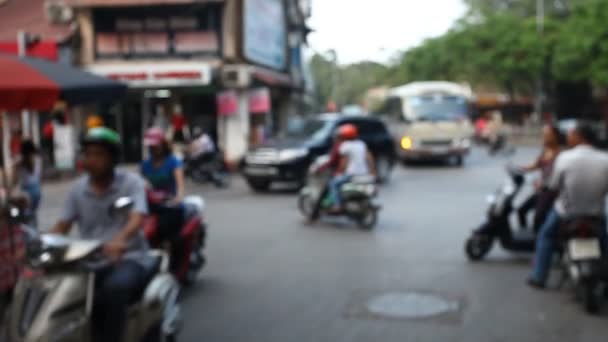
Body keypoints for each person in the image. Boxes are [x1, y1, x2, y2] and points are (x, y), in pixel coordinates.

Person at [50, 127, 150, 342]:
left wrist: (120, 239)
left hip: (128, 258)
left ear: (113, 158)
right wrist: (37, 244)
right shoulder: (77, 190)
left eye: (99, 154)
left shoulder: (131, 183)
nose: (92, 160)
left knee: (115, 289)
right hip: (89, 260)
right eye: (88, 154)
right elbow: (62, 226)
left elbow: (137, 217)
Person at [528, 123, 608, 289]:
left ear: (580, 137)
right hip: (596, 214)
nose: (568, 137)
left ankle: (538, 277)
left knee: (546, 235)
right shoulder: (605, 159)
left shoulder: (565, 157)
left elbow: (553, 186)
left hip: (566, 213)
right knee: (605, 241)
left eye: (571, 134)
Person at [140, 127, 186, 271]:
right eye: (150, 146)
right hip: (151, 204)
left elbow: (180, 185)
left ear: (163, 145)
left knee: (167, 230)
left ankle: (171, 261)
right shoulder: (145, 165)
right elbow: (138, 186)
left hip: (170, 205)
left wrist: (178, 198)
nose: (153, 148)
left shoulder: (173, 162)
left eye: (155, 145)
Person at [516, 124, 563, 231]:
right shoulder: (545, 151)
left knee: (538, 218)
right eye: (544, 135)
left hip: (552, 192)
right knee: (521, 210)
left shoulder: (561, 153)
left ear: (556, 136)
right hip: (542, 190)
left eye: (548, 135)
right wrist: (518, 168)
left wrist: (545, 183)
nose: (545, 137)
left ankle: (539, 239)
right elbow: (535, 165)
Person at [327, 124, 377, 211]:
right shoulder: (361, 144)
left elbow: (343, 163)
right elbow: (370, 159)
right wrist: (373, 171)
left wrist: (339, 172)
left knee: (333, 183)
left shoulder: (345, 146)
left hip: (351, 175)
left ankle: (338, 205)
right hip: (364, 174)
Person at [12, 140, 42, 226]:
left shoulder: (20, 163)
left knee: (25, 215)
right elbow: (39, 177)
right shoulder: (38, 160)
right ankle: (34, 232)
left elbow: (14, 181)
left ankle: (28, 233)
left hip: (26, 192)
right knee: (32, 214)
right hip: (37, 190)